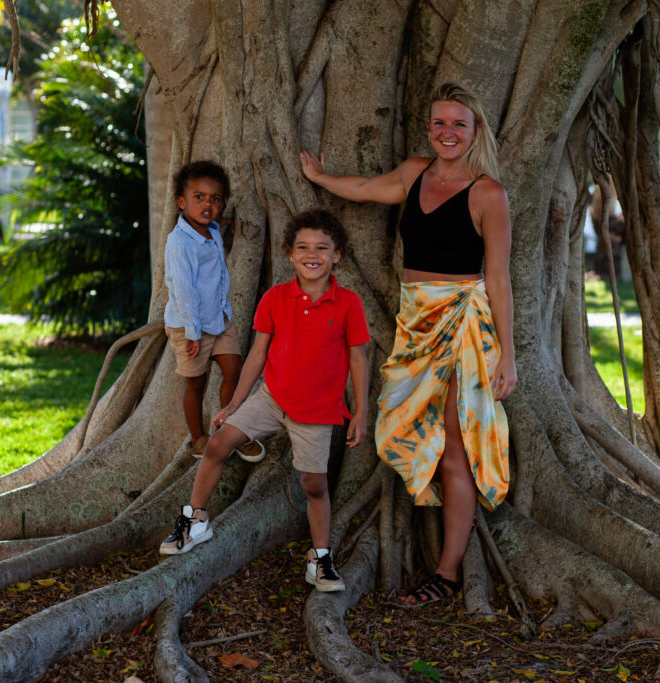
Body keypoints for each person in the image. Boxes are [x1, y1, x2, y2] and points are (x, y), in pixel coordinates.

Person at [300, 81, 516, 606]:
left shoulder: (488, 193)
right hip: (415, 320)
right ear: (429, 128)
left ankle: (447, 574)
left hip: (464, 324)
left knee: (454, 452)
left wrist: (508, 353)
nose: (448, 133)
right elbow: (367, 189)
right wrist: (319, 176)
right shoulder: (414, 172)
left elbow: (499, 277)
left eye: (459, 124)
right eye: (440, 123)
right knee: (406, 425)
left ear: (476, 130)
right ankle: (441, 562)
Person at [159, 208, 371, 594]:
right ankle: (196, 520)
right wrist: (234, 405)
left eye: (322, 247)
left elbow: (358, 357)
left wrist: (361, 411)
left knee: (313, 484)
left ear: (337, 255)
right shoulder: (275, 298)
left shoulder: (349, 304)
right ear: (290, 254)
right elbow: (257, 355)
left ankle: (320, 558)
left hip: (317, 410)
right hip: (271, 397)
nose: (313, 254)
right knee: (218, 443)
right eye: (303, 247)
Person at [163, 161, 264, 461]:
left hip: (218, 320)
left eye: (215, 199)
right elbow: (183, 291)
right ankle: (197, 439)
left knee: (235, 369)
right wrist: (193, 333)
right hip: (189, 325)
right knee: (196, 382)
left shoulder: (211, 230)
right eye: (199, 197)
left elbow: (215, 225)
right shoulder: (179, 243)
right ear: (181, 202)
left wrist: (225, 223)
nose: (207, 204)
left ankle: (229, 429)